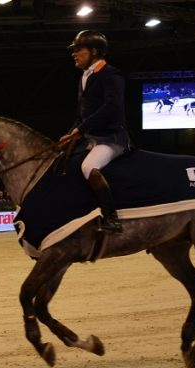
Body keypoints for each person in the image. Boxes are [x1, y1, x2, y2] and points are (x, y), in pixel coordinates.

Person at [59, 30, 130, 234]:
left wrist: (80, 130)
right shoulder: (85, 76)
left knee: (89, 167)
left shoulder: (110, 74)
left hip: (112, 138)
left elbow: (111, 107)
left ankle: (112, 219)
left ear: (94, 51)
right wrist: (71, 132)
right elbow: (82, 114)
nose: (74, 54)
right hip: (92, 138)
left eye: (78, 50)